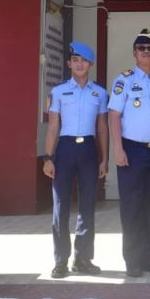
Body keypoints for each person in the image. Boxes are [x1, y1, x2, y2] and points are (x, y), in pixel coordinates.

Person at [108, 28, 150, 278]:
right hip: (131, 150)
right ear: (135, 52)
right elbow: (114, 115)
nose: (146, 52)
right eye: (141, 48)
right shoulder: (123, 80)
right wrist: (118, 149)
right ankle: (132, 261)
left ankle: (148, 259)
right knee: (132, 207)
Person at [43, 41, 108, 279]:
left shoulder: (99, 93)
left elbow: (102, 128)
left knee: (87, 206)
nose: (80, 64)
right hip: (65, 149)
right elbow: (53, 126)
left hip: (89, 150)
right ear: (69, 64)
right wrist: (48, 157)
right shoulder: (58, 91)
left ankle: (83, 259)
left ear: (90, 64)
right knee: (60, 206)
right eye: (75, 60)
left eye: (84, 61)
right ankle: (60, 260)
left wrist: (104, 159)